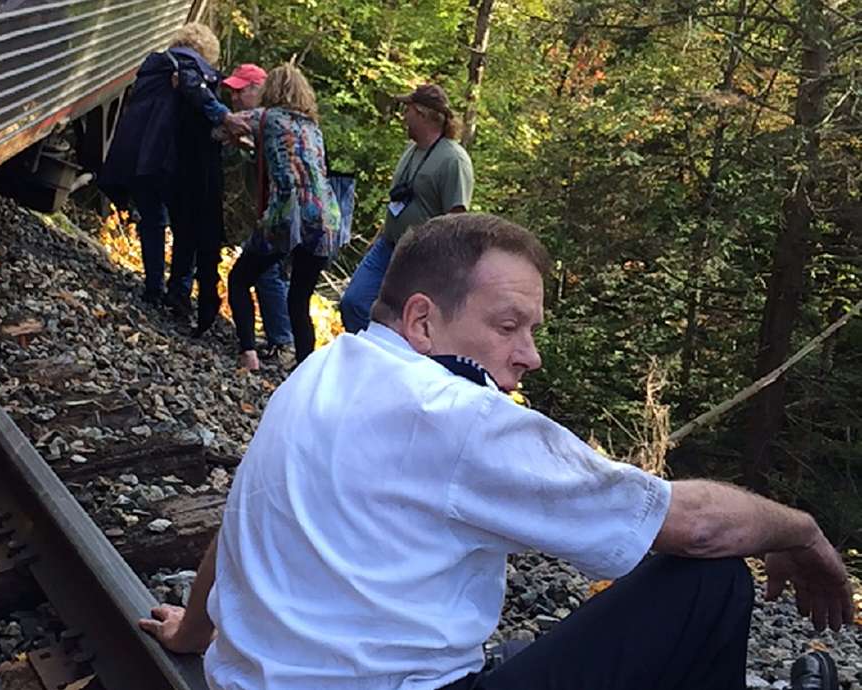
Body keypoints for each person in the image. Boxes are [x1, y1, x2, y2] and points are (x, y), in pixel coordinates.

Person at [139, 213, 853, 689]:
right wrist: (802, 530)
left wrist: (195, 635)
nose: (530, 356)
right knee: (711, 580)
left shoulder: (322, 370)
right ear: (423, 320)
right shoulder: (454, 416)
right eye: (509, 326)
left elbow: (244, 520)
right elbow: (692, 523)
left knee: (517, 655)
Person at [98, 23, 249, 307]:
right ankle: (178, 292)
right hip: (173, 160)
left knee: (152, 220)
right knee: (186, 226)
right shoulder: (190, 66)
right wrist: (224, 118)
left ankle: (153, 285)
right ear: (206, 51)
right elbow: (193, 88)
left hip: (138, 157)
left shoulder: (152, 66)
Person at [226, 63, 344, 371]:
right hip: (326, 216)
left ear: (271, 90)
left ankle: (248, 353)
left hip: (288, 214)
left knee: (239, 279)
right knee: (299, 297)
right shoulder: (313, 128)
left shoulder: (267, 117)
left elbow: (226, 124)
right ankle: (305, 370)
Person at [339, 83, 473, 333]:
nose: (403, 116)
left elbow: (457, 222)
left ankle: (387, 365)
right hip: (388, 246)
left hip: (422, 258)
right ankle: (368, 361)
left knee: (401, 321)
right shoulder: (411, 151)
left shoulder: (453, 160)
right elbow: (399, 202)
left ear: (422, 113)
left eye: (407, 110)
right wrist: (380, 234)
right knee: (353, 302)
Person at [221, 63, 295, 358]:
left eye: (240, 91)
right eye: (231, 92)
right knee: (274, 274)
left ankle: (278, 342)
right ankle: (282, 342)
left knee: (265, 273)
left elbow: (221, 127)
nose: (234, 98)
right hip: (288, 213)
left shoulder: (266, 119)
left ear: (258, 90)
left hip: (281, 214)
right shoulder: (296, 121)